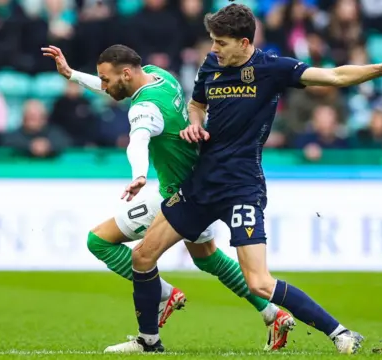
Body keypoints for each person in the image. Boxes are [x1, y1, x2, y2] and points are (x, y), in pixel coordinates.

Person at [105, 3, 382, 354]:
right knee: (143, 257)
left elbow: (333, 76)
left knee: (259, 282)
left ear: (243, 42)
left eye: (220, 42)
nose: (213, 49)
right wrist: (194, 122)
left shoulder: (272, 68)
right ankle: (149, 342)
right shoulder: (212, 65)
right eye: (212, 41)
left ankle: (341, 333)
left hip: (242, 186)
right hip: (201, 183)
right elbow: (197, 104)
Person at [41, 44, 295, 351]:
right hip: (196, 184)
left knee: (100, 241)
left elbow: (138, 140)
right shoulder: (157, 76)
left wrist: (138, 174)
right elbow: (116, 92)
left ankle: (160, 301)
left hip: (180, 198)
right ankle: (272, 314)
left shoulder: (144, 109)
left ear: (125, 73)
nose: (104, 86)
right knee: (208, 258)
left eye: (105, 79)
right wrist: (72, 75)